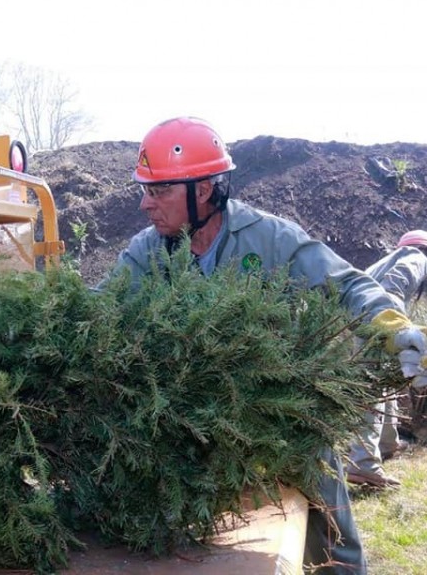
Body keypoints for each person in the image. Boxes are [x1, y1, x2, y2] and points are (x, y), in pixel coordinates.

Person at [96, 117, 427, 575]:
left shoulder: (269, 239)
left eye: (160, 191)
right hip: (189, 422)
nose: (145, 203)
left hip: (281, 417)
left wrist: (391, 324)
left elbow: (348, 285)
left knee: (332, 536)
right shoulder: (146, 252)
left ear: (205, 189)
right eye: (146, 190)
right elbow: (97, 307)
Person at [346, 230, 427, 488]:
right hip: (378, 324)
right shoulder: (416, 256)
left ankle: (387, 444)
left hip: (361, 323)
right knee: (372, 391)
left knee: (384, 387)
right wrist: (397, 328)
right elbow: (393, 285)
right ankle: (364, 465)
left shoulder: (379, 265)